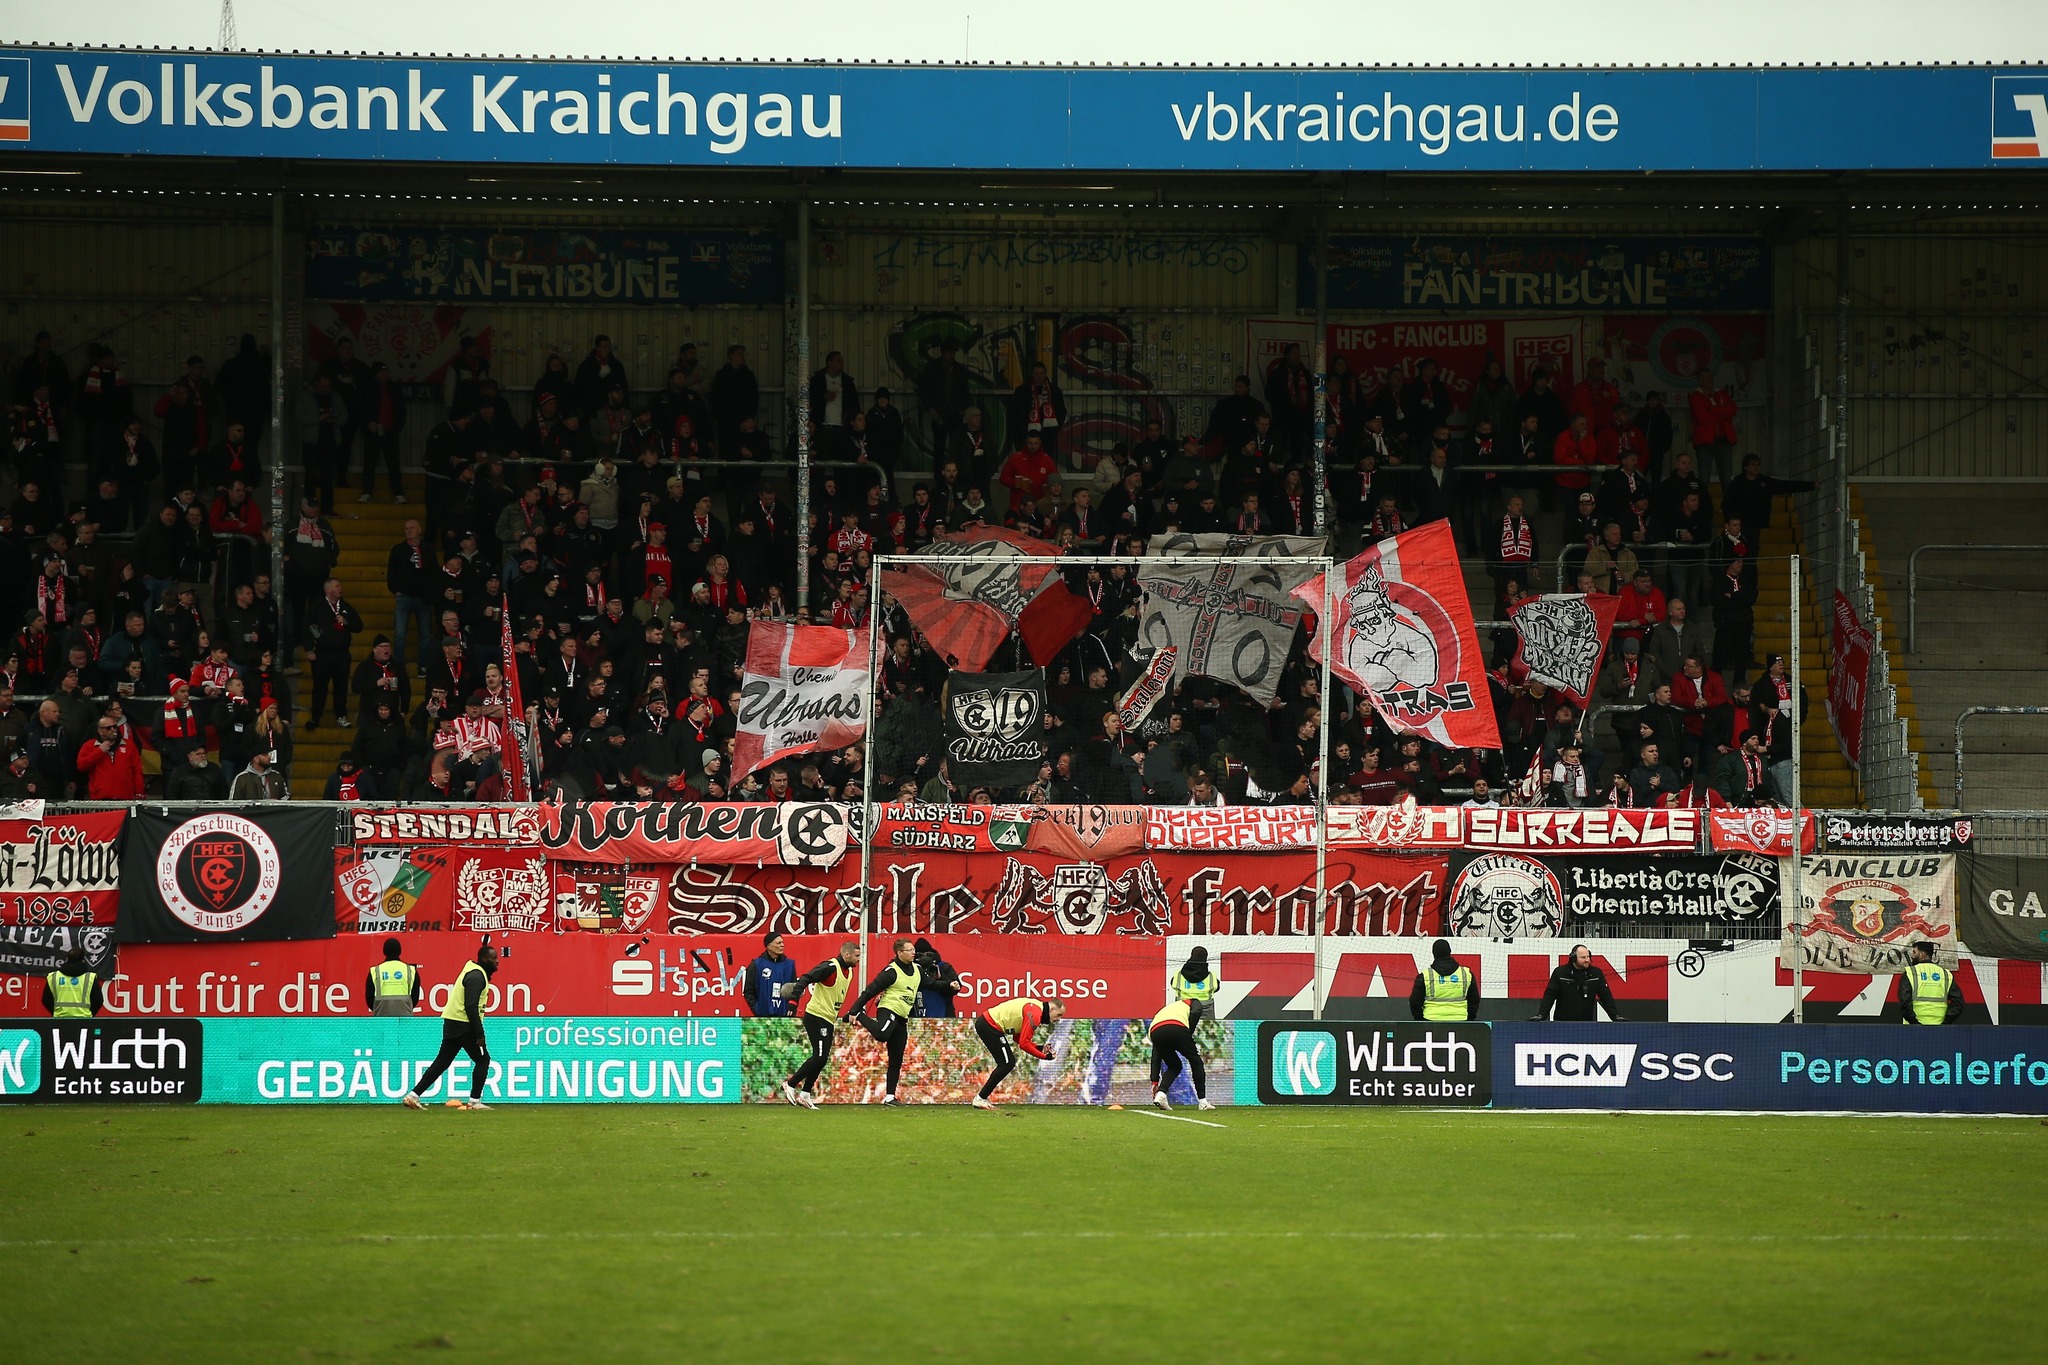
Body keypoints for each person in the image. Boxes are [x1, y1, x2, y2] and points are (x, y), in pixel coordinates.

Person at [403, 942, 500, 1111]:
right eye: (493, 958)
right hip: (464, 1024)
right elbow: (470, 1006)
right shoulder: (477, 976)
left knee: (442, 1061)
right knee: (483, 1060)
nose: (497, 961)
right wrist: (479, 1034)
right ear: (484, 959)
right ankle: (474, 1101)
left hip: (452, 1022)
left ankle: (413, 1095)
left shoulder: (473, 971)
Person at [780, 940, 861, 1109]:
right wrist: (793, 1001)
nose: (858, 959)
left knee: (821, 1059)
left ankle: (805, 1094)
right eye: (856, 956)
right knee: (819, 1057)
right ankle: (791, 1084)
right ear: (846, 954)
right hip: (816, 1016)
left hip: (828, 1018)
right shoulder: (830, 967)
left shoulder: (849, 972)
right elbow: (805, 978)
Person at [849, 937, 922, 1105]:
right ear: (899, 953)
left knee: (896, 1058)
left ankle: (890, 1096)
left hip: (902, 1018)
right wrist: (855, 1010)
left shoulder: (917, 970)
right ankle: (860, 1016)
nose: (914, 952)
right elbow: (870, 990)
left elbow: (932, 983)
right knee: (882, 1034)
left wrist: (949, 985)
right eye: (910, 950)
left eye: (913, 950)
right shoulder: (891, 971)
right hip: (888, 1010)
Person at [971, 996, 1062, 1110]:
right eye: (1059, 1015)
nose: (1059, 1019)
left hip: (988, 1024)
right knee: (1007, 1063)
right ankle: (980, 1098)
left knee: (1007, 1063)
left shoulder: (1036, 1009)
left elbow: (1018, 1038)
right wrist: (1045, 1056)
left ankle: (981, 1098)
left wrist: (1039, 1048)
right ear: (1051, 1008)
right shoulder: (1035, 1013)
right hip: (989, 1025)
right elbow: (1024, 1044)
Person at [1147, 996, 1213, 1111]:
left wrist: (1154, 1081)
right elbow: (1196, 1011)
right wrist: (1189, 1032)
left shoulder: (1168, 1010)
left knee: (1174, 1066)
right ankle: (1203, 1102)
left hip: (1155, 1031)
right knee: (1195, 1061)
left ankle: (1161, 1094)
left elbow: (1156, 1056)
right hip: (1177, 1027)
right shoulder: (1193, 1001)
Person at [1531, 945, 1619, 1022]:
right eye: (1583, 957)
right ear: (1573, 958)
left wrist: (1615, 1016)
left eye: (1588, 957)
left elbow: (1605, 996)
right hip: (1562, 1022)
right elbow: (1550, 995)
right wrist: (1542, 1015)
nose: (1587, 960)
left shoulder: (1596, 974)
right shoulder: (1560, 973)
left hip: (1586, 1022)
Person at [1409, 940, 1477, 1021]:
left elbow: (1415, 1002)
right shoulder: (1466, 974)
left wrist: (1421, 1021)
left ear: (1434, 954)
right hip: (1460, 1020)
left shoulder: (1425, 975)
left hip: (1431, 1020)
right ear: (1450, 951)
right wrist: (1469, 1020)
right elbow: (1474, 1000)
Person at [1896, 941, 1961, 1025]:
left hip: (1913, 1029)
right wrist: (1945, 1023)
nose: (1912, 956)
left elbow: (1904, 1001)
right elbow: (1958, 1003)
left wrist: (1914, 1023)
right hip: (1940, 1027)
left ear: (1922, 954)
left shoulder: (1910, 972)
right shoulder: (1945, 974)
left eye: (1914, 952)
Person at [740, 932, 796, 1018]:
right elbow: (748, 991)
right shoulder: (756, 964)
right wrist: (757, 1009)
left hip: (784, 1017)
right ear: (769, 946)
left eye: (782, 942)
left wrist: (792, 1006)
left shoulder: (790, 964)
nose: (782, 945)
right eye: (778, 943)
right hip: (763, 1017)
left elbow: (795, 990)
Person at [365, 937, 421, 1017]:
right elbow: (415, 997)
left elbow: (369, 998)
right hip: (405, 1019)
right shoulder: (410, 970)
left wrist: (379, 1008)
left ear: (384, 951)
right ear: (400, 951)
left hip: (381, 1018)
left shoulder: (375, 971)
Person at [44, 947, 103, 1019]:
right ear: (83, 960)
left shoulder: (53, 976)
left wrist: (56, 1012)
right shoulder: (90, 977)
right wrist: (90, 1014)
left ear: (67, 959)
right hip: (85, 1019)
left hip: (59, 1019)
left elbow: (46, 999)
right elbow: (98, 1000)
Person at [1171, 945, 1218, 1027]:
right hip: (1205, 1010)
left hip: (1183, 1007)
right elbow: (1216, 988)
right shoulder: (1211, 976)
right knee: (1206, 1031)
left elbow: (1172, 984)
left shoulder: (1179, 975)